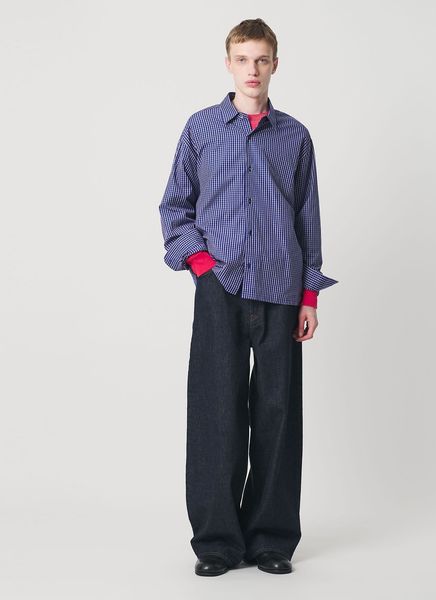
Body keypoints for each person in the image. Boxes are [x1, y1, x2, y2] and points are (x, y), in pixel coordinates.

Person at [158, 18, 338, 576]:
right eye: (243, 59)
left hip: (282, 288)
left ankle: (271, 540)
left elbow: (307, 218)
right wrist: (203, 266)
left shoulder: (295, 136)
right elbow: (175, 206)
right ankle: (217, 542)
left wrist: (309, 296)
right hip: (221, 288)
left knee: (278, 413)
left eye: (261, 59)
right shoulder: (202, 128)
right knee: (217, 410)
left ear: (275, 64)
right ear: (229, 64)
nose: (252, 69)